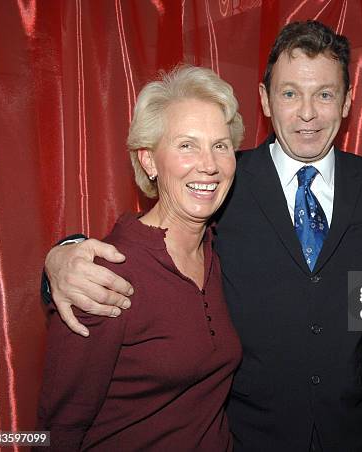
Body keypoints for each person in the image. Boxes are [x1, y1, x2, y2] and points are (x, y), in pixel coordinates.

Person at [42, 21, 362, 451]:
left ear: (347, 102)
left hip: (356, 436)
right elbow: (156, 239)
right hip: (248, 438)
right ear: (264, 99)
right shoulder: (222, 181)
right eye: (290, 93)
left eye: (324, 94)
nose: (307, 113)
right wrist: (59, 261)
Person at [36, 65, 244, 451]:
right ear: (149, 161)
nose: (210, 164)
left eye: (220, 145)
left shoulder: (215, 250)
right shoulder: (103, 277)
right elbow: (55, 432)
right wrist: (58, 260)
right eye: (186, 145)